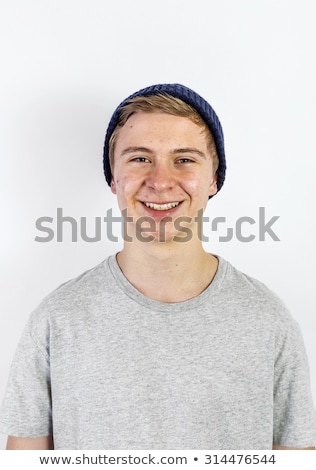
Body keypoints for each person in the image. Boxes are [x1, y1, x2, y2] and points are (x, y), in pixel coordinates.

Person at [1, 84, 315, 450]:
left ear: (214, 179)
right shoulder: (56, 320)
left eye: (184, 159)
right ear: (113, 179)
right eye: (139, 158)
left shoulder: (268, 320)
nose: (161, 181)